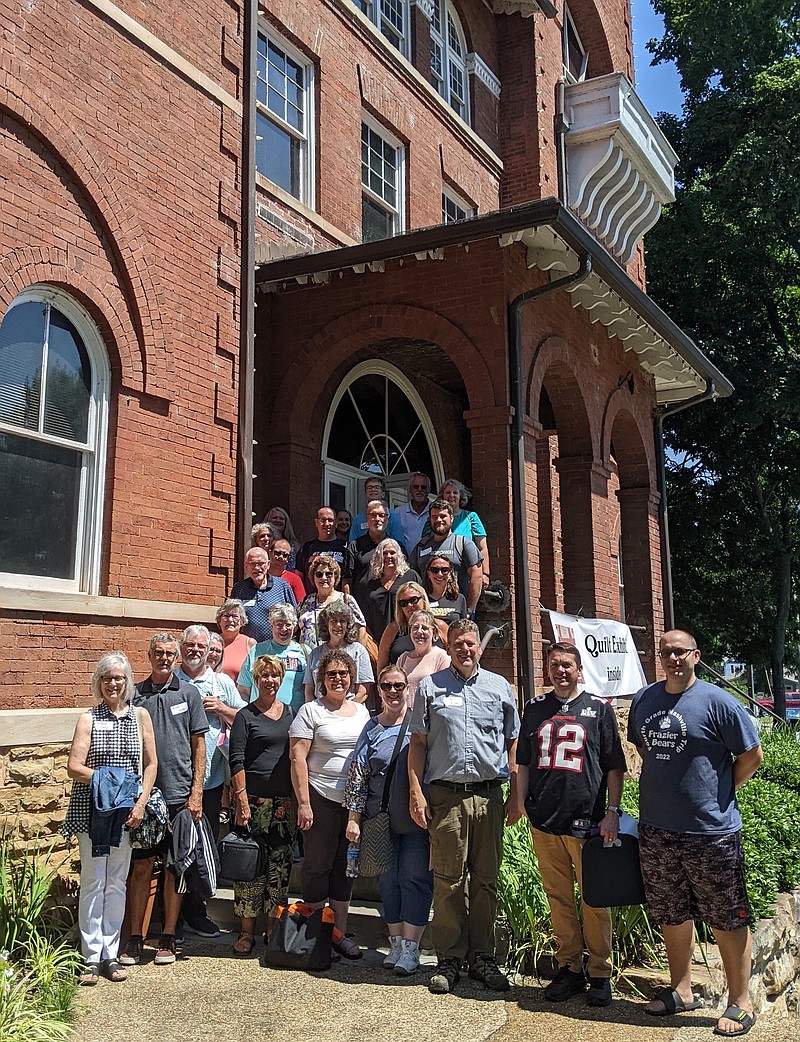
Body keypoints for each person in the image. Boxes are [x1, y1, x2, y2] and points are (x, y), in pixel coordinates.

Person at [628, 629, 763, 1036]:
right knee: (671, 912)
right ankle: (681, 990)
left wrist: (720, 793)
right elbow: (643, 748)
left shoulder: (720, 703)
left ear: (696, 656)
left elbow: (751, 756)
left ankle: (740, 1002)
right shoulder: (645, 699)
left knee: (727, 916)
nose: (672, 658)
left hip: (710, 833)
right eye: (665, 652)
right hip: (657, 829)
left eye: (679, 652)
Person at [408, 619, 520, 995]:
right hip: (447, 796)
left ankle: (483, 958)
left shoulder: (499, 687)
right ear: (449, 645)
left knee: (486, 879)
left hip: (488, 796)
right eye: (458, 643)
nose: (466, 649)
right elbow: (418, 744)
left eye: (471, 643)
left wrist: (516, 794)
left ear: (478, 647)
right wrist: (416, 792)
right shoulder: (430, 687)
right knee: (449, 880)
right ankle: (450, 959)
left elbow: (512, 742)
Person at [515, 642, 627, 1007]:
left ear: (579, 669)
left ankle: (600, 972)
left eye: (567, 665)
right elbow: (525, 762)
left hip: (588, 822)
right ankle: (570, 968)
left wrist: (613, 811)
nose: (560, 671)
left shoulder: (598, 709)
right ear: (547, 669)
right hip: (545, 820)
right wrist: (523, 802)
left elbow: (614, 765)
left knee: (595, 899)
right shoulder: (534, 708)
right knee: (558, 896)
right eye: (554, 665)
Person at [62, 653, 157, 985]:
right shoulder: (88, 718)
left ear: (127, 680)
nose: (113, 684)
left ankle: (109, 953)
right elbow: (74, 766)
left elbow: (150, 764)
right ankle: (89, 956)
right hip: (94, 811)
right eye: (106, 678)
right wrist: (109, 781)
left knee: (117, 881)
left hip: (127, 812)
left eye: (118, 678)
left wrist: (141, 801)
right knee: (93, 881)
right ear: (98, 682)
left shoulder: (139, 716)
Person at [120, 634, 208, 968]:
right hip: (145, 797)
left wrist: (196, 792)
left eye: (170, 653)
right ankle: (136, 938)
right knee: (141, 866)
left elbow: (200, 745)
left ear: (178, 657)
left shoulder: (189, 693)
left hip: (180, 795)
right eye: (159, 653)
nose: (165, 658)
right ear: (149, 655)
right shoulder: (135, 696)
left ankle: (169, 935)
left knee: (176, 867)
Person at [344, 665, 434, 976]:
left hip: (415, 820)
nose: (393, 692)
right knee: (388, 881)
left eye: (398, 686)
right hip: (378, 819)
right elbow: (358, 774)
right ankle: (395, 942)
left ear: (408, 689)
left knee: (415, 879)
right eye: (387, 686)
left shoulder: (419, 725)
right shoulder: (371, 727)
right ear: (379, 690)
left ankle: (412, 948)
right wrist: (353, 818)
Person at [289, 650, 371, 959]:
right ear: (322, 679)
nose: (338, 679)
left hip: (352, 804)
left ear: (352, 678)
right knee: (316, 866)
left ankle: (339, 933)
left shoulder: (362, 712)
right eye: (331, 674)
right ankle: (316, 934)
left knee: (344, 868)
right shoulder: (311, 711)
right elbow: (297, 757)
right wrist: (304, 804)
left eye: (344, 673)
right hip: (319, 798)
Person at [175, 624, 246, 937]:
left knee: (203, 848)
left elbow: (244, 722)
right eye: (189, 645)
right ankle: (170, 916)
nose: (195, 651)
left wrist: (222, 708)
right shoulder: (172, 680)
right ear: (182, 648)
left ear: (209, 652)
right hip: (174, 779)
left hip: (212, 779)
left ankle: (197, 910)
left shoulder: (221, 682)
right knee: (174, 849)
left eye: (200, 647)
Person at [228, 655, 297, 955]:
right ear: (255, 680)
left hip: (283, 806)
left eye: (275, 676)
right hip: (252, 804)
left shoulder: (291, 713)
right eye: (264, 676)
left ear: (281, 679)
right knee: (251, 868)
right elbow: (236, 760)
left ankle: (273, 929)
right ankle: (246, 932)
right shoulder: (245, 716)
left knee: (279, 869)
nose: (270, 680)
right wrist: (242, 802)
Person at [410, 499, 483, 616]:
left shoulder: (463, 544)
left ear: (451, 518)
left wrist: (468, 610)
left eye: (443, 516)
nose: (439, 520)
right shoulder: (421, 546)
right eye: (434, 516)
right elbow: (412, 577)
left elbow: (477, 576)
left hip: (456, 612)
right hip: (427, 613)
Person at [237, 604, 309, 712]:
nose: (284, 629)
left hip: (295, 719)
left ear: (294, 626)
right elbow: (243, 690)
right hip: (261, 719)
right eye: (279, 624)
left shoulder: (305, 652)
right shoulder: (257, 651)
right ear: (271, 626)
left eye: (288, 624)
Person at [303, 603, 374, 704]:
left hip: (351, 711)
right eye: (333, 621)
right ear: (326, 625)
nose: (338, 625)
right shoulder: (315, 654)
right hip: (320, 712)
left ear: (348, 625)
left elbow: (363, 692)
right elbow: (309, 691)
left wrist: (346, 711)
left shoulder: (359, 651)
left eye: (342, 621)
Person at [342, 501, 406, 609]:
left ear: (387, 519)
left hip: (391, 609)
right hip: (362, 608)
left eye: (381, 515)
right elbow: (347, 580)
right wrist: (349, 606)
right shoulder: (354, 546)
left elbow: (404, 575)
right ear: (367, 519)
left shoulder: (396, 547)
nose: (377, 519)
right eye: (373, 515)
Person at [296, 555, 366, 648]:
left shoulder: (346, 600)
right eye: (319, 574)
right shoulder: (306, 601)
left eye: (329, 574)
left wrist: (359, 657)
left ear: (335, 577)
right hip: (308, 660)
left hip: (339, 659)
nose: (324, 578)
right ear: (313, 577)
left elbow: (361, 631)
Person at [230, 546, 296, 643]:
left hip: (277, 647)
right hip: (249, 648)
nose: (257, 568)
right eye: (252, 564)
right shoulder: (239, 588)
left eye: (261, 563)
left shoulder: (282, 586)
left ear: (268, 564)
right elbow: (232, 617)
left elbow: (294, 617)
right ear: (246, 566)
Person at [361, 538, 419, 643]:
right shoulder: (371, 582)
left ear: (399, 555)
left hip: (406, 639)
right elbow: (366, 613)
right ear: (379, 556)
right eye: (385, 553)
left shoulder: (411, 576)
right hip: (377, 640)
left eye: (392, 553)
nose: (388, 556)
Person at [377, 582, 442, 671]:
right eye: (404, 603)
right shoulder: (393, 629)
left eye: (413, 600)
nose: (409, 606)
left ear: (423, 599)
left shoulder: (440, 626)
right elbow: (382, 666)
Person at [439, 479, 491, 590]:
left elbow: (482, 548)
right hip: (439, 575)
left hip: (466, 574)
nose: (451, 495)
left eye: (455, 492)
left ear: (460, 496)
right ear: (442, 495)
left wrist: (485, 573)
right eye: (448, 492)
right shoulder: (434, 519)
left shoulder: (471, 517)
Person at [396, 609, 450, 705]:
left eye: (425, 628)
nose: (419, 631)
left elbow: (445, 692)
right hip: (405, 716)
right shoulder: (403, 658)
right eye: (415, 627)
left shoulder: (441, 657)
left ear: (433, 632)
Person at [294, 506, 348, 595]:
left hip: (337, 601)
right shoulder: (306, 548)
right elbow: (298, 578)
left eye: (330, 520)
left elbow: (349, 579)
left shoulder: (346, 548)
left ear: (336, 523)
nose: (327, 524)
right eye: (323, 520)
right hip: (312, 602)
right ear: (316, 522)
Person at [422, 554, 467, 640]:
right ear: (428, 573)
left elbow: (463, 630)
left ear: (450, 573)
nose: (439, 574)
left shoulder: (459, 599)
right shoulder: (421, 598)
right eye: (434, 570)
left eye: (444, 570)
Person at [349, 476, 404, 542]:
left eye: (377, 487)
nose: (373, 489)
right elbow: (352, 543)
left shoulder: (393, 516)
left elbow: (399, 542)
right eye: (369, 487)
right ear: (365, 494)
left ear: (383, 494)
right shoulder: (358, 519)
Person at [216, 599, 256, 684]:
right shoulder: (212, 642)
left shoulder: (250, 644)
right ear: (219, 621)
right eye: (226, 616)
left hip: (241, 695)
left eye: (235, 616)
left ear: (242, 621)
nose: (230, 620)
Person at [391, 472, 431, 554]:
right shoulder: (398, 512)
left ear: (429, 490)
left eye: (423, 487)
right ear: (410, 489)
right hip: (405, 562)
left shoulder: (436, 512)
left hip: (430, 561)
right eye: (416, 487)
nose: (419, 490)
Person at [269, 538, 306, 602]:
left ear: (288, 559)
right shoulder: (262, 576)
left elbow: (301, 605)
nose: (281, 557)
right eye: (277, 553)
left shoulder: (295, 579)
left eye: (285, 555)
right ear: (270, 553)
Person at [264, 506, 301, 570]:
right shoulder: (264, 542)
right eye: (274, 518)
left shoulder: (295, 545)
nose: (278, 520)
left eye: (281, 518)